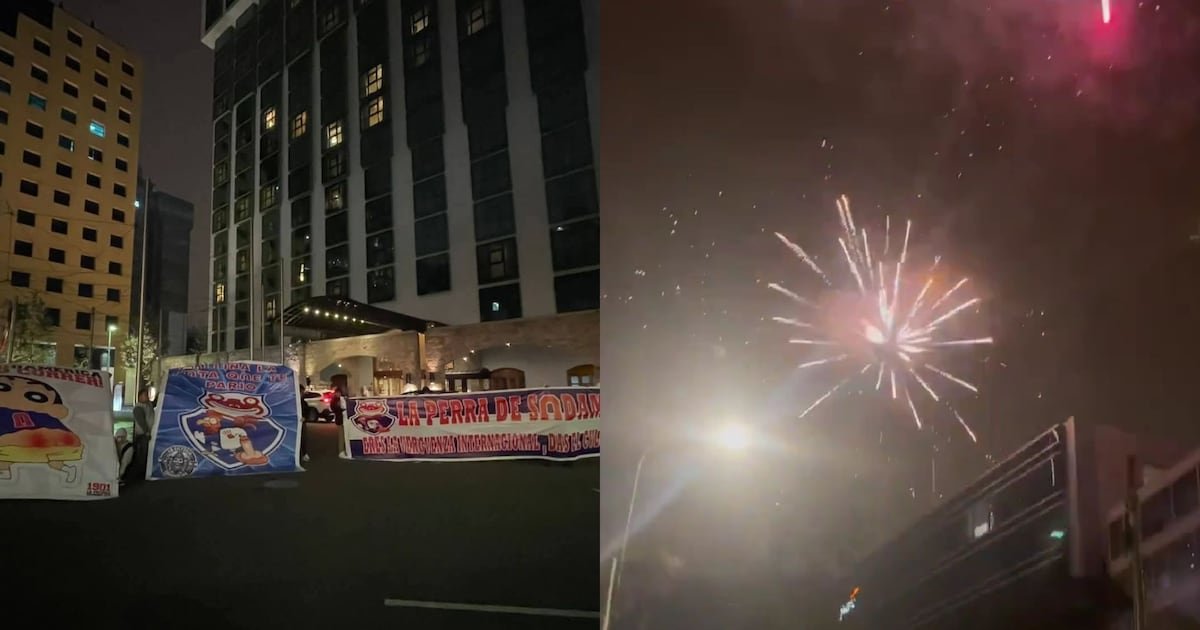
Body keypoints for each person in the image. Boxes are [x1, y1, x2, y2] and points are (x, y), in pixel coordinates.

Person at [130, 387, 154, 482]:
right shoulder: (138, 408)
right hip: (143, 435)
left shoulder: (148, 405)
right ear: (139, 397)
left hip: (148, 433)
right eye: (144, 395)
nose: (147, 397)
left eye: (147, 395)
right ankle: (139, 474)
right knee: (142, 455)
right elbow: (141, 422)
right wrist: (146, 431)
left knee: (146, 454)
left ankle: (143, 472)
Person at [297, 382, 310, 463]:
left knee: (303, 438)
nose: (302, 394)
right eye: (301, 392)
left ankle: (304, 454)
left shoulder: (303, 402)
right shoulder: (292, 401)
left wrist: (305, 418)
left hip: (302, 423)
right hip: (294, 423)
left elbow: (307, 411)